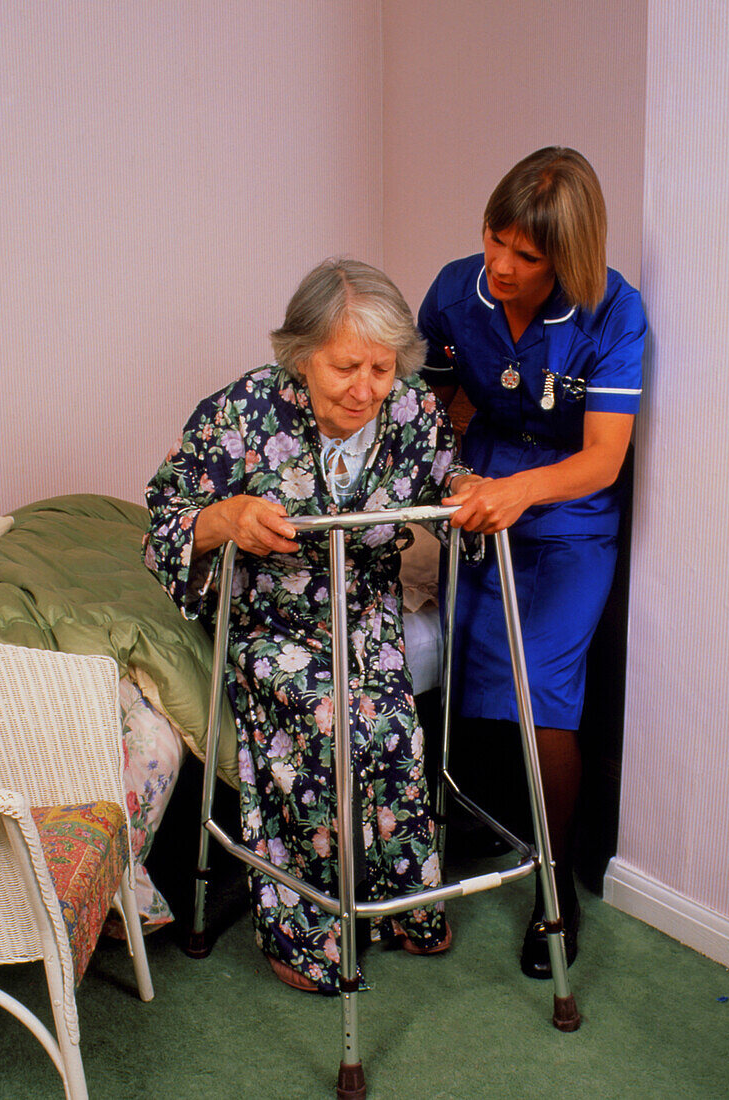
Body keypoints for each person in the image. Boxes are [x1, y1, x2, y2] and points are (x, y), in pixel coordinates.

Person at [143, 258, 481, 994]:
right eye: (345, 367)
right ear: (300, 355)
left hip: (365, 614)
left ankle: (400, 904)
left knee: (389, 721)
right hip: (271, 620)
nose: (366, 388)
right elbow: (163, 523)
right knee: (326, 718)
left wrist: (465, 491)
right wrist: (222, 520)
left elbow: (442, 478)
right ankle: (305, 931)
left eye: (382, 368)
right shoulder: (239, 415)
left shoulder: (414, 410)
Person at [423, 147, 647, 978]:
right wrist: (445, 476)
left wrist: (523, 494)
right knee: (468, 661)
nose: (503, 266)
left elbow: (603, 459)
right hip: (477, 495)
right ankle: (475, 826)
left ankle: (557, 893)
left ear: (567, 258)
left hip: (570, 517)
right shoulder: (455, 290)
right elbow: (434, 404)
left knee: (544, 685)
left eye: (528, 255)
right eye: (495, 240)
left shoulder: (613, 313)